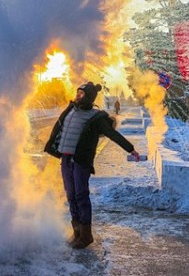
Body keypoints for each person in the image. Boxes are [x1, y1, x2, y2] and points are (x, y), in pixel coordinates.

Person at [44, 82, 139, 249]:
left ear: (89, 97)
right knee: (71, 196)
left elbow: (111, 134)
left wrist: (131, 149)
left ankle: (86, 235)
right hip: (66, 159)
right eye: (78, 93)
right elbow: (59, 128)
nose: (78, 96)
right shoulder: (71, 110)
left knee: (81, 195)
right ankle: (77, 232)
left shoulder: (96, 117)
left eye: (82, 94)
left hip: (81, 160)